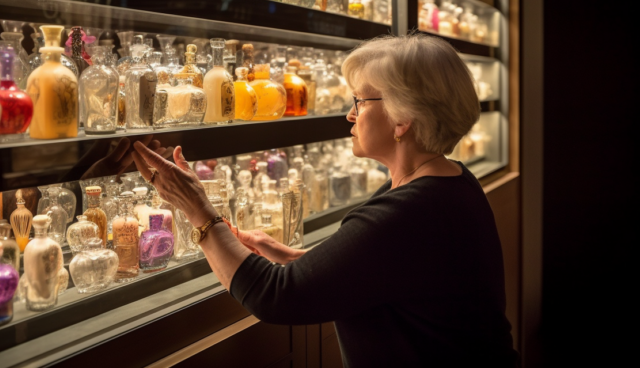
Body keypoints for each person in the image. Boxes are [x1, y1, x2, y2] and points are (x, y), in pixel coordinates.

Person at [131, 34, 517, 367]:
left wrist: (196, 207)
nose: (350, 115)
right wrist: (295, 260)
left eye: (361, 101)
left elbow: (276, 297)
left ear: (403, 120)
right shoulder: (448, 180)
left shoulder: (410, 212)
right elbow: (385, 273)